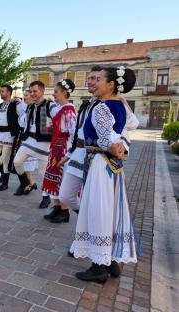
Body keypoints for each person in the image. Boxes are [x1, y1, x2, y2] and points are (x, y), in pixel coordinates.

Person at [70, 66, 139, 283]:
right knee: (110, 210)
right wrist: (121, 149)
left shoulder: (102, 107)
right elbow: (131, 126)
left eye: (99, 79)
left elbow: (108, 138)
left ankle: (99, 267)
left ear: (111, 84)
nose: (94, 83)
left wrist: (114, 146)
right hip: (113, 168)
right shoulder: (119, 104)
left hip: (101, 165)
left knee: (98, 210)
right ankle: (110, 261)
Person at [57, 66, 103, 219]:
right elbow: (77, 131)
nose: (91, 82)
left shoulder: (107, 104)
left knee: (93, 197)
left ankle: (91, 223)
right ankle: (87, 216)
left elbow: (131, 122)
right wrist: (69, 153)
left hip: (95, 156)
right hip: (77, 153)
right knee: (65, 195)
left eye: (97, 79)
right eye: (90, 78)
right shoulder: (86, 104)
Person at [12, 81, 58, 208]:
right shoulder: (29, 107)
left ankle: (45, 197)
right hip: (29, 141)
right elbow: (23, 124)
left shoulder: (50, 105)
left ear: (42, 91)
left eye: (35, 91)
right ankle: (26, 183)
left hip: (44, 143)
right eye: (31, 91)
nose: (32, 94)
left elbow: (60, 117)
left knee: (43, 172)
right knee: (17, 161)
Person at [41, 79, 77, 223]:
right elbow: (52, 111)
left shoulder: (69, 111)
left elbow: (73, 134)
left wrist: (68, 155)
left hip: (63, 149)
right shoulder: (61, 108)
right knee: (53, 178)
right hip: (56, 147)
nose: (54, 94)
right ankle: (56, 208)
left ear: (64, 92)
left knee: (61, 180)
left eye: (56, 92)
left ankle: (64, 211)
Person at [0, 85, 26, 191]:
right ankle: (3, 174)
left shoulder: (16, 104)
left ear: (9, 92)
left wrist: (19, 100)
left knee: (5, 159)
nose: (1, 93)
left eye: (3, 91)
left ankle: (5, 183)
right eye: (0, 91)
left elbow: (24, 114)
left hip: (9, 135)